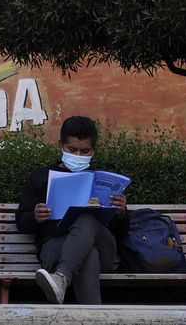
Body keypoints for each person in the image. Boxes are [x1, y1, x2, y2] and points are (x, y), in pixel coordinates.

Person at [15, 116, 129, 304]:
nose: (78, 156)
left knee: (86, 218)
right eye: (72, 150)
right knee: (88, 254)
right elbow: (21, 223)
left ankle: (61, 278)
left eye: (85, 151)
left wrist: (121, 213)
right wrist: (35, 216)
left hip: (103, 252)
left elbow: (122, 231)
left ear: (93, 150)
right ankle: (89, 311)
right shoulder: (41, 177)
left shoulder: (101, 180)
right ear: (60, 145)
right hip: (55, 248)